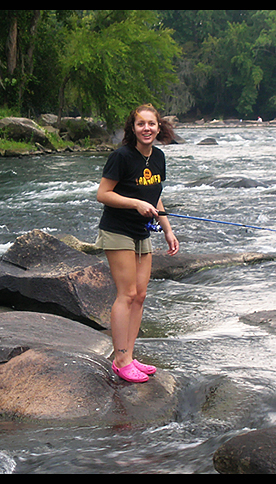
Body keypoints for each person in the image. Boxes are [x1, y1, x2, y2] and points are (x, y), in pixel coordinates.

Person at [96, 104, 179, 383]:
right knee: (127, 294)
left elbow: (155, 196)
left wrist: (167, 230)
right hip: (118, 230)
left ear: (159, 127)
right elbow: (103, 194)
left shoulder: (158, 157)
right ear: (132, 128)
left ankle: (129, 356)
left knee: (140, 295)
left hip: (143, 232)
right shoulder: (121, 156)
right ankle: (120, 360)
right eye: (141, 124)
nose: (147, 129)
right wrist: (135, 203)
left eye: (151, 124)